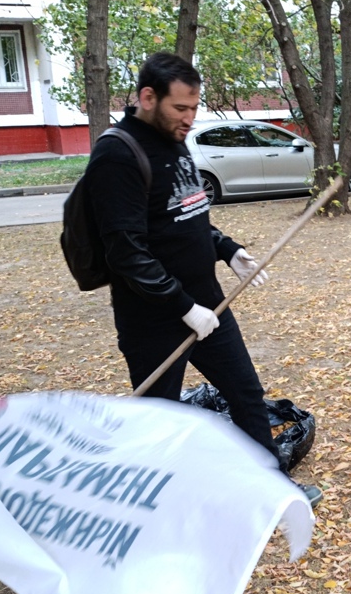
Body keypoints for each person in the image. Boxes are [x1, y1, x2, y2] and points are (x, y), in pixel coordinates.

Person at [81, 52, 321, 508]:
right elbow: (126, 251)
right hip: (153, 319)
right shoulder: (118, 154)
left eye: (194, 109)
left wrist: (228, 250)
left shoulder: (174, 139)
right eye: (180, 108)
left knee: (246, 393)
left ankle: (272, 491)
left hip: (209, 306)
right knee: (160, 419)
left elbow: (186, 215)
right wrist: (182, 307)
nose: (190, 119)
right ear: (147, 97)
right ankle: (158, 510)